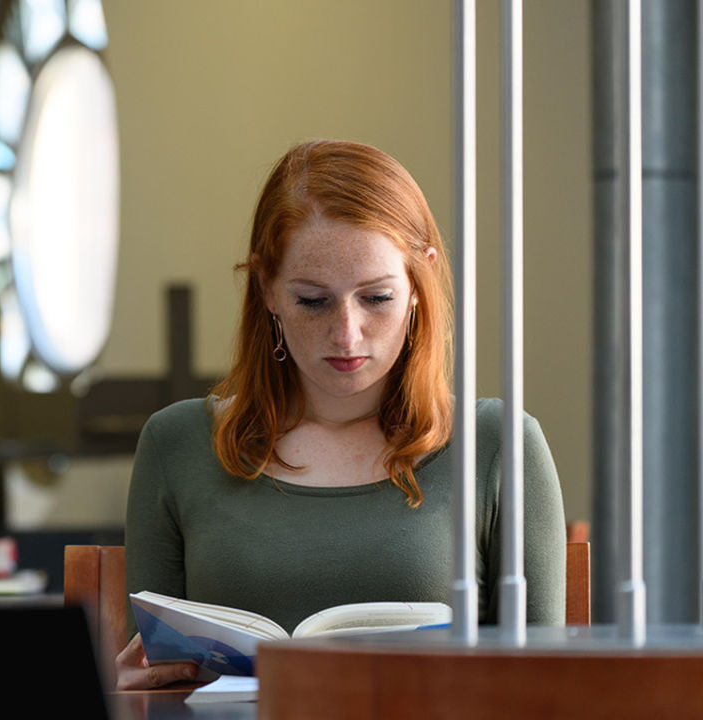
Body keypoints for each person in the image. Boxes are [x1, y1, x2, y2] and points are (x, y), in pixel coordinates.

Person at [117, 140, 565, 690]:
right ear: (268, 289)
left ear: (419, 285)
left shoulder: (497, 446)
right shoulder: (176, 445)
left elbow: (548, 688)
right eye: (313, 300)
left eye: (376, 298)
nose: (347, 334)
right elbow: (152, 680)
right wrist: (120, 692)